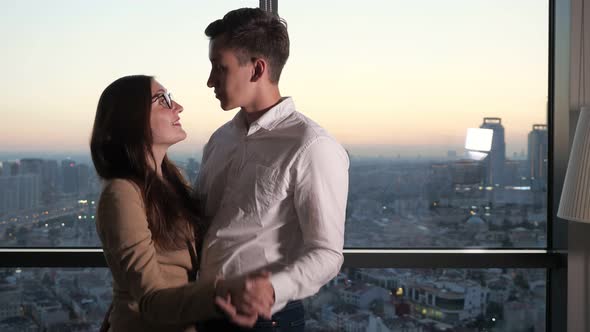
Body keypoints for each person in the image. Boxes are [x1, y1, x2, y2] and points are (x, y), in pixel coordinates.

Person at [196, 8, 350, 331]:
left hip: (268, 320)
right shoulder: (220, 139)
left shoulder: (311, 146)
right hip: (203, 310)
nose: (210, 81)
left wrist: (272, 289)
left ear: (257, 69)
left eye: (219, 68)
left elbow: (327, 253)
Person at [91, 75, 273, 331]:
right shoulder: (122, 194)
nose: (177, 106)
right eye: (162, 100)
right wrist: (222, 292)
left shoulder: (171, 182)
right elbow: (150, 298)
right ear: (132, 118)